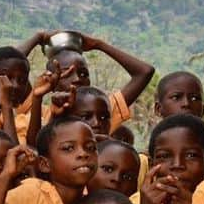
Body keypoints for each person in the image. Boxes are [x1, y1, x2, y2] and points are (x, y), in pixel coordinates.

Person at [19, 30, 156, 134]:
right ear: (51, 80)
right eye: (66, 73)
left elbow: (145, 72)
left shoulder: (102, 110)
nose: (78, 79)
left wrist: (99, 44)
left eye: (84, 73)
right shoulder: (36, 111)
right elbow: (5, 68)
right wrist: (37, 38)